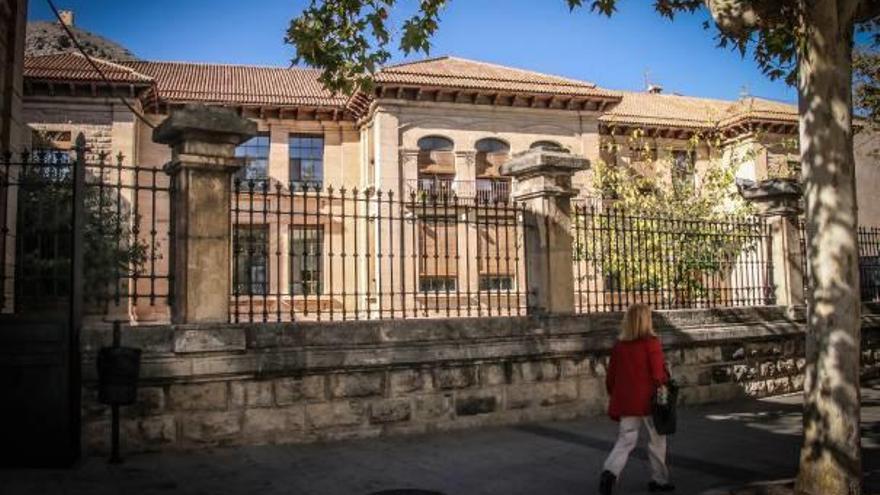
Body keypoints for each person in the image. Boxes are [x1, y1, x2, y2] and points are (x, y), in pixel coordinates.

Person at [599, 303, 675, 494]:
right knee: (657, 441)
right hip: (651, 402)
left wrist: (615, 394)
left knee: (625, 440)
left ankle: (609, 472)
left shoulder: (620, 346)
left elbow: (611, 377)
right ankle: (659, 480)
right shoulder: (652, 343)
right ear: (646, 320)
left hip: (627, 402)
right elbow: (658, 376)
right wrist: (667, 377)